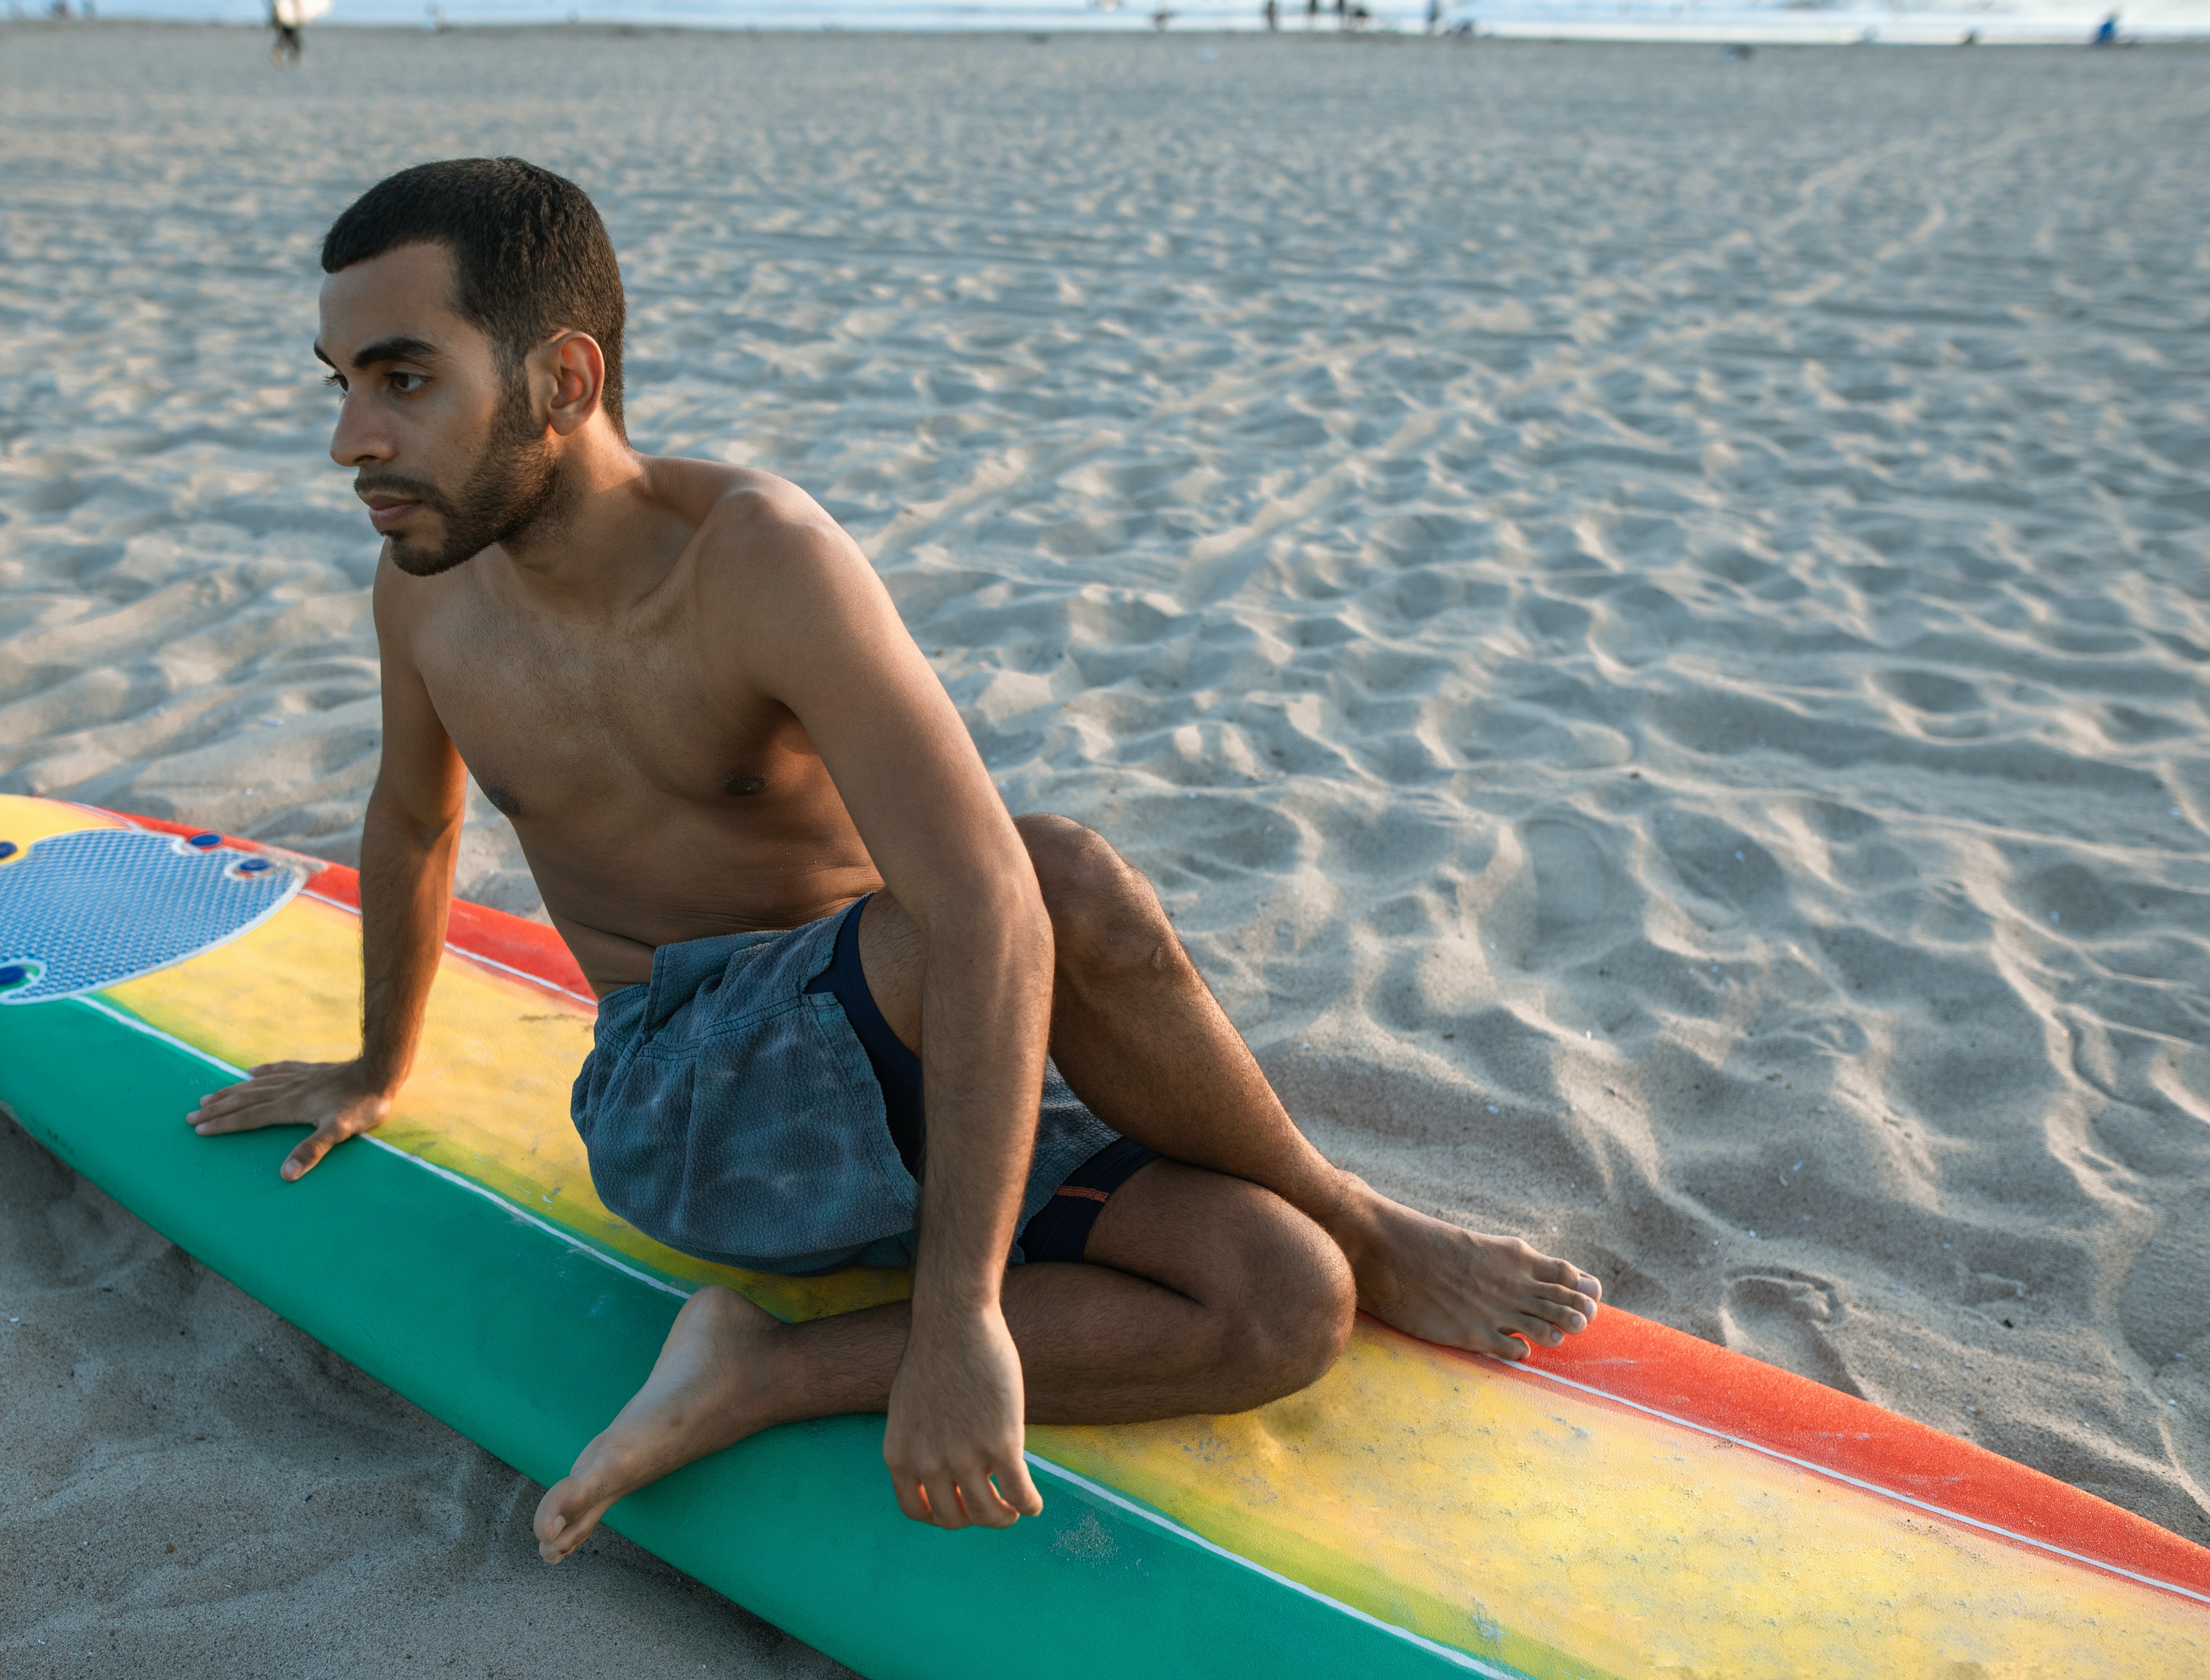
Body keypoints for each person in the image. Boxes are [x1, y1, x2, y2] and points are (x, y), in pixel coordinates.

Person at [185, 159, 1602, 1565]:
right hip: (686, 1106)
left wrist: (959, 1320)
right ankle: (1353, 1215)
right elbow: (414, 820)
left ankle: (765, 1371)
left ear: (562, 380)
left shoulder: (756, 560)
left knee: (1280, 1301)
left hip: (903, 1069)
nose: (352, 441)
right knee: (1047, 877)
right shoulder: (425, 592)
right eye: (343, 385)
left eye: (403, 380)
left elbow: (970, 911)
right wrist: (377, 1067)